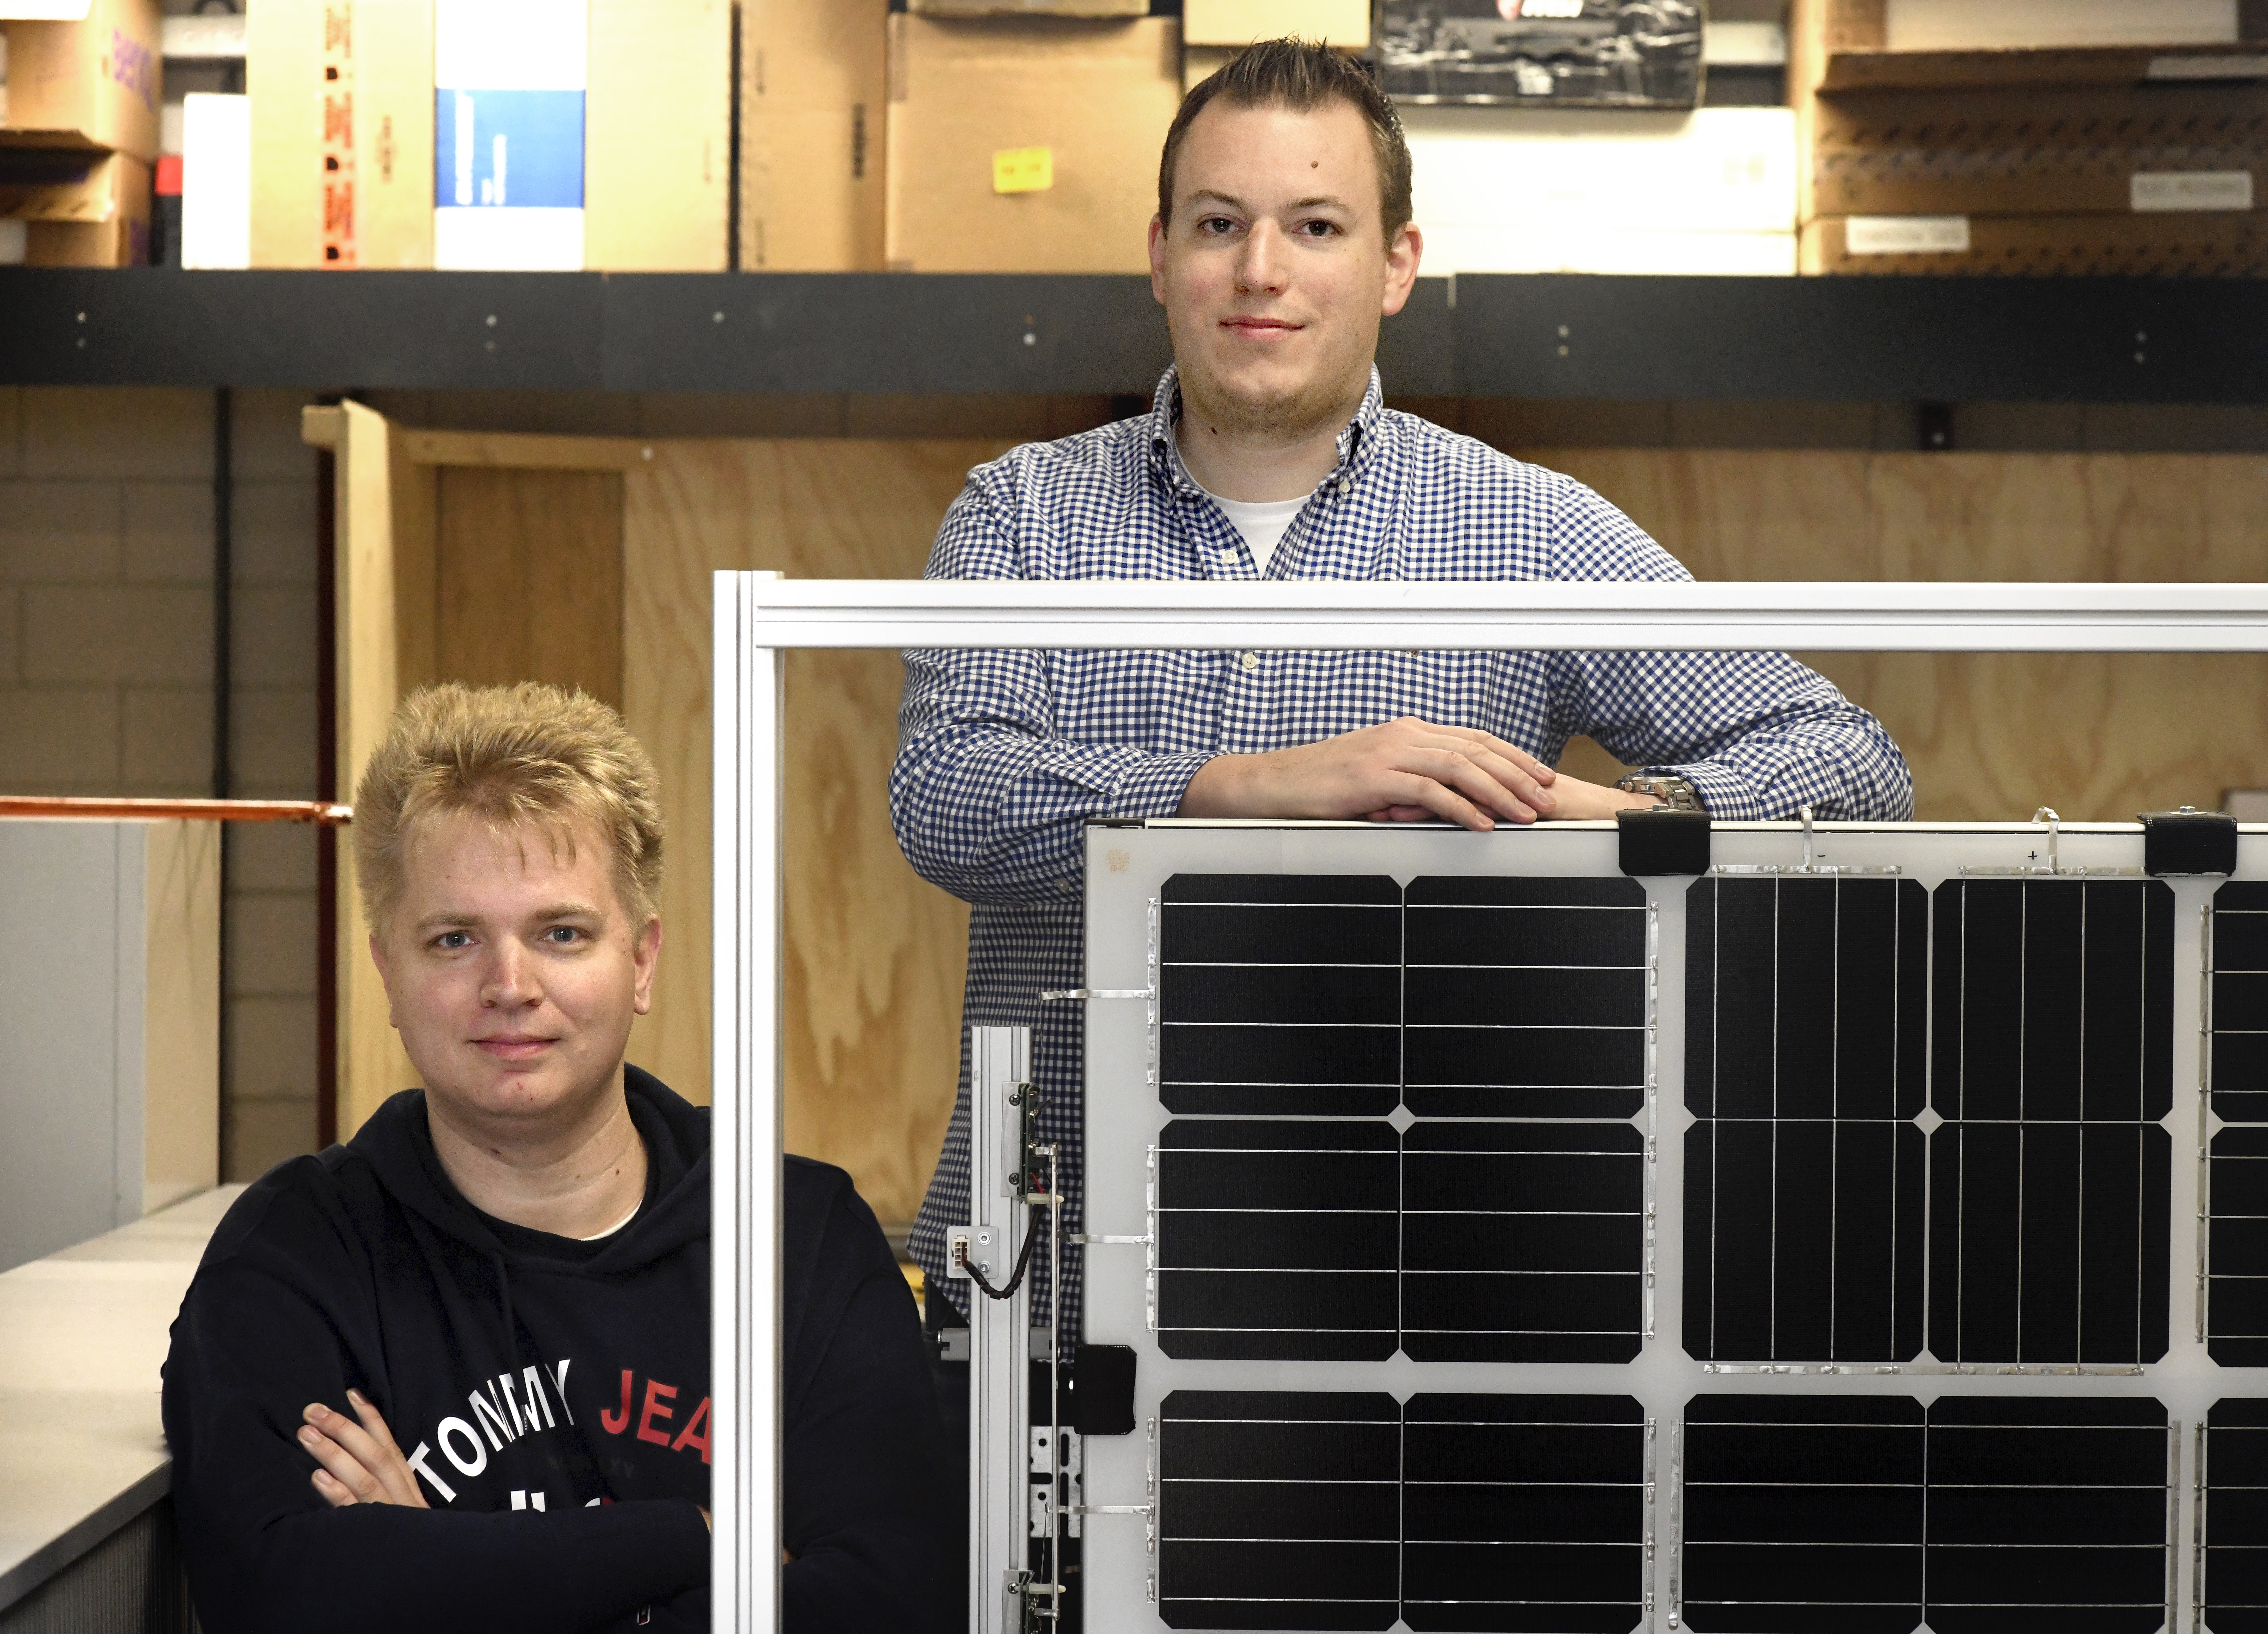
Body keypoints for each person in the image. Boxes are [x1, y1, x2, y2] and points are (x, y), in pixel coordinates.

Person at [891, 39, 1915, 1352]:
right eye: (1220, 224)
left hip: (1413, 1316)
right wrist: (1242, 791)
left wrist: (1608, 817)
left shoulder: (1530, 531)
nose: (1261, 270)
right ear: (1161, 255)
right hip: (1050, 1313)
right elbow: (947, 800)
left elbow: (1852, 761)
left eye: (1316, 226)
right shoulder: (1021, 515)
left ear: (1396, 264)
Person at [162, 682, 955, 1634]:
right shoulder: (299, 1253)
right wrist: (702, 1538)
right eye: (454, 939)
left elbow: (888, 1607)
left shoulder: (798, 1238)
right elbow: (281, 1600)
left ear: (643, 962)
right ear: (388, 972)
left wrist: (439, 1565)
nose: (510, 985)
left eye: (562, 934)